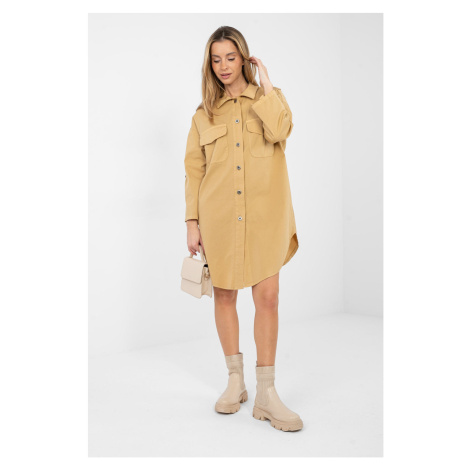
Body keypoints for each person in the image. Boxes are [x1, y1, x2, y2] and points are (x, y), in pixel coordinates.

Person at [184, 26, 302, 432]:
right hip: (219, 217)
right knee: (224, 296)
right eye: (216, 59)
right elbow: (194, 171)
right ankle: (235, 382)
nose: (223, 66)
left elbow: (281, 131)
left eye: (231, 57)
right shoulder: (203, 114)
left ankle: (266, 393)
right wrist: (192, 222)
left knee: (268, 297)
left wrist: (266, 84)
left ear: (244, 58)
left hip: (266, 217)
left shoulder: (269, 99)